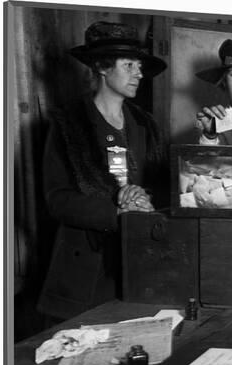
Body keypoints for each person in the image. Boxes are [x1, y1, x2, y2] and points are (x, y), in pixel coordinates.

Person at [37, 21, 168, 321]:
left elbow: (161, 187)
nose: (139, 73)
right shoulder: (69, 124)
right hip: (86, 267)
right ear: (102, 67)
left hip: (140, 259)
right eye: (129, 65)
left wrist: (143, 199)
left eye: (139, 65)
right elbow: (56, 199)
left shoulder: (145, 124)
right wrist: (116, 213)